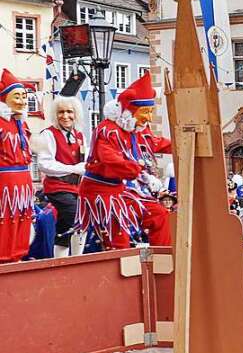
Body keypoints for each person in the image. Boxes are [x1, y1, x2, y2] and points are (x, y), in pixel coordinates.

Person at [76, 72, 172, 250]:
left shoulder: (136, 127)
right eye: (145, 112)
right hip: (99, 193)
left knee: (158, 214)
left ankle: (163, 262)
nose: (149, 118)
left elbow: (155, 143)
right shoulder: (107, 130)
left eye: (151, 112)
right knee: (118, 237)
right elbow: (111, 159)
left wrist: (183, 144)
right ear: (129, 110)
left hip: (120, 190)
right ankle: (118, 273)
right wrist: (142, 174)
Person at [36, 96, 89, 257]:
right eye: (61, 112)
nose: (65, 116)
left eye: (69, 112)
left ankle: (77, 258)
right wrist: (73, 168)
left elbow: (85, 162)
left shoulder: (80, 136)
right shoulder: (48, 134)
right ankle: (61, 261)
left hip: (77, 187)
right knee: (72, 214)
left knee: (83, 218)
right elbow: (44, 164)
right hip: (57, 186)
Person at [0, 70, 35, 263]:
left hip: (23, 182)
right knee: (5, 220)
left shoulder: (22, 124)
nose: (22, 101)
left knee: (22, 218)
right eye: (17, 96)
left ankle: (17, 256)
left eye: (24, 96)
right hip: (4, 182)